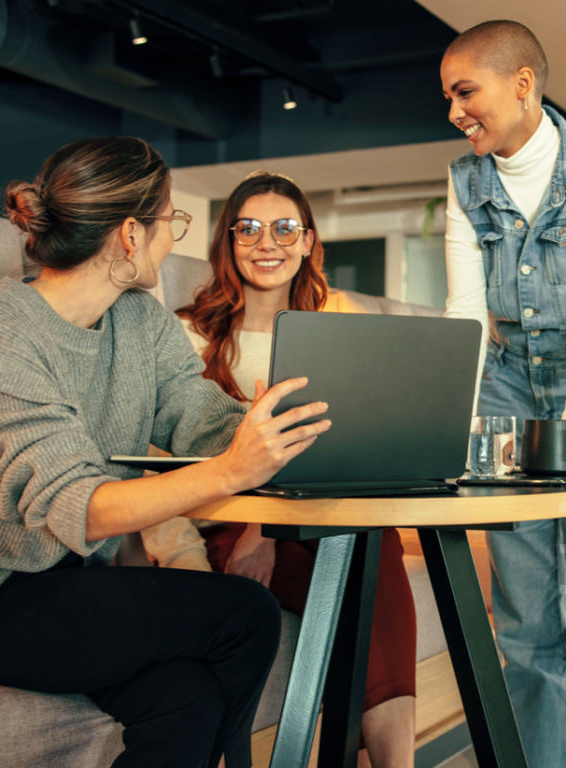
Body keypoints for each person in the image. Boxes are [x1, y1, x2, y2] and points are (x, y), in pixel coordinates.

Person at [0, 137, 334, 768]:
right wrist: (231, 470)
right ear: (130, 236)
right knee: (245, 614)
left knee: (184, 700)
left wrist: (279, 423)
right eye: (169, 223)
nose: (172, 240)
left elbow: (198, 414)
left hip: (73, 585)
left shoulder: (138, 317)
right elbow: (81, 507)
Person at [140, 171, 417, 768]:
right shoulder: (187, 335)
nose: (268, 242)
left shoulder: (338, 337)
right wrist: (237, 538)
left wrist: (265, 531)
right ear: (228, 241)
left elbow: (344, 459)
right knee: (360, 558)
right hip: (219, 529)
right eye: (250, 229)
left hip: (307, 523)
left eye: (285, 228)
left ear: (309, 242)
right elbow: (155, 470)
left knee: (373, 547)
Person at [440, 21, 566, 768]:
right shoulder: (464, 180)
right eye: (449, 98)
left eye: (467, 91)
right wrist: (460, 430)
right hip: (506, 385)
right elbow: (466, 315)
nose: (457, 111)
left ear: (522, 83)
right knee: (523, 629)